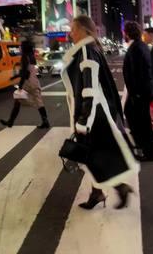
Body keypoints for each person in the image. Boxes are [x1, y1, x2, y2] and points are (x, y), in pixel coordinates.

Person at [61, 15, 139, 210]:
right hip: (96, 114)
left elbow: (90, 89)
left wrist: (83, 120)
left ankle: (115, 189)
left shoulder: (86, 51)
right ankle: (101, 192)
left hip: (93, 116)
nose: (71, 33)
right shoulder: (89, 49)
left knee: (91, 155)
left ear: (83, 31)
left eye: (73, 29)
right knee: (93, 156)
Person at [123, 21, 153, 162]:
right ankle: (141, 146)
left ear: (128, 33)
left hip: (140, 92)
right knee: (134, 116)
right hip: (142, 91)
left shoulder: (136, 48)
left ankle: (147, 152)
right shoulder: (140, 46)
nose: (124, 34)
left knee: (142, 121)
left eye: (125, 32)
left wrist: (136, 94)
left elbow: (140, 73)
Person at [0, 40, 50, 129]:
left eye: (21, 46)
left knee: (17, 101)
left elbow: (25, 73)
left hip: (28, 82)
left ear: (24, 48)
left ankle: (10, 121)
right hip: (35, 81)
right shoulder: (32, 56)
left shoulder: (24, 57)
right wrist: (15, 76)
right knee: (39, 102)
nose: (20, 48)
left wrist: (20, 85)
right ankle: (45, 121)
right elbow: (29, 70)